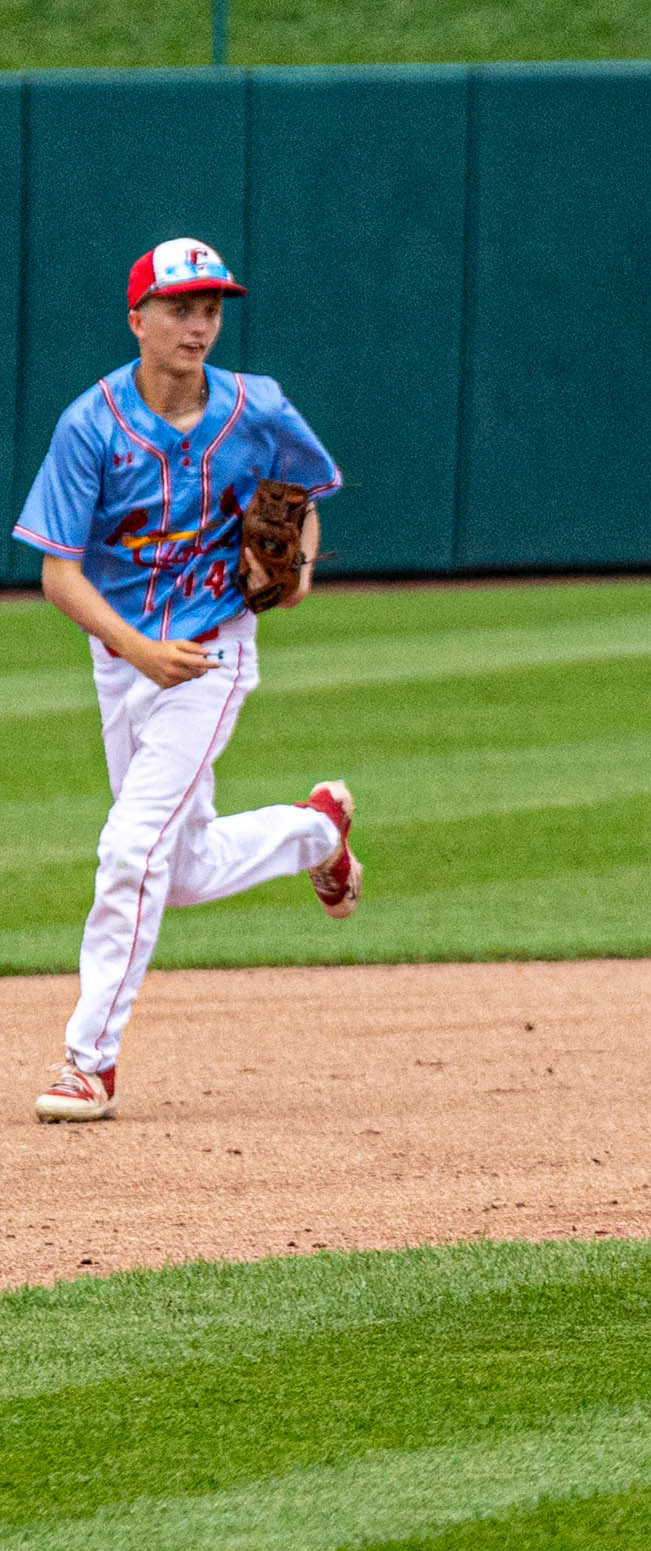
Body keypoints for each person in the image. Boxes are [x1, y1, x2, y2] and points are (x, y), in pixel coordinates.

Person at [14, 238, 361, 1125]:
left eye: (210, 307)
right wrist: (135, 650)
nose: (199, 322)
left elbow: (302, 503)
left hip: (213, 653)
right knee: (181, 867)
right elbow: (58, 575)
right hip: (126, 652)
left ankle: (90, 1062)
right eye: (179, 306)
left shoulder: (259, 408)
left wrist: (303, 568)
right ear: (138, 320)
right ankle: (318, 834)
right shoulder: (90, 425)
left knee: (131, 847)